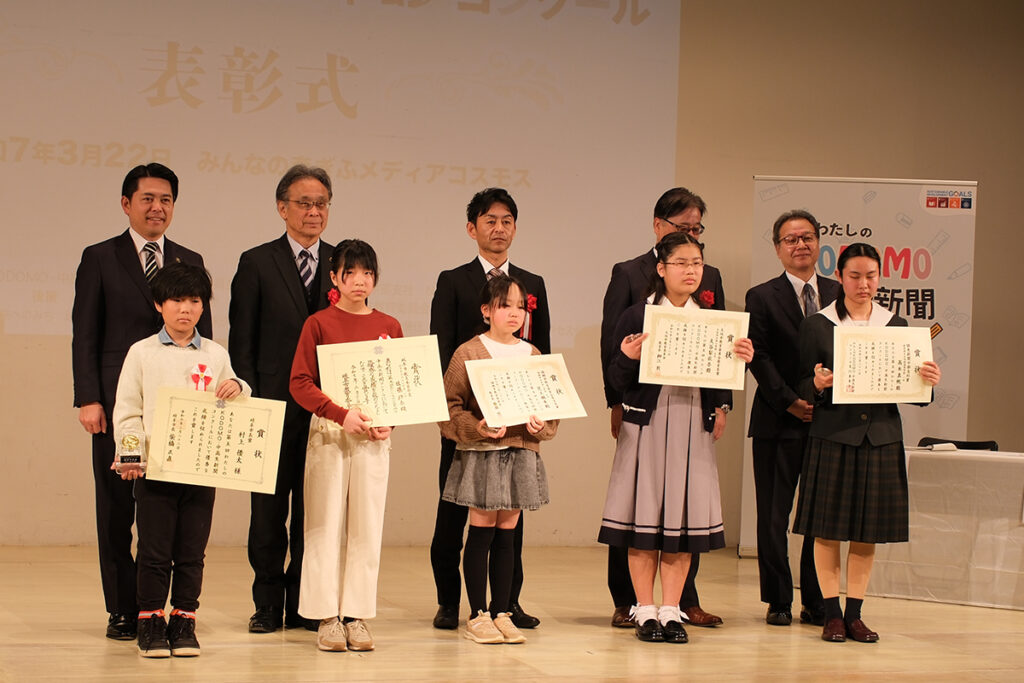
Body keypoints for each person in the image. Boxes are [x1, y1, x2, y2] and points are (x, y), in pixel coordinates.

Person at [72, 163, 212, 640]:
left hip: (180, 416)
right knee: (116, 511)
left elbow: (207, 341)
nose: (157, 207)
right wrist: (89, 398)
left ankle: (161, 609)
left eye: (166, 199)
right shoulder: (100, 257)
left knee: (169, 517)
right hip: (121, 410)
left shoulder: (189, 259)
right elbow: (85, 334)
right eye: (148, 198)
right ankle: (122, 608)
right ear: (126, 204)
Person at [598, 232, 753, 644]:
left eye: (697, 263)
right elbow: (616, 377)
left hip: (692, 423)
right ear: (661, 269)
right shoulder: (638, 315)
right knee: (643, 522)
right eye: (681, 263)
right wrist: (627, 358)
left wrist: (735, 372)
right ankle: (644, 609)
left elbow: (720, 377)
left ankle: (671, 609)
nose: (691, 271)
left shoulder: (712, 318)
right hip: (646, 424)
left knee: (683, 524)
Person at [794, 242, 941, 644]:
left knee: (866, 531)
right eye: (855, 276)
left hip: (880, 437)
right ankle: (831, 614)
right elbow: (802, 384)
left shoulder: (896, 324)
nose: (864, 284)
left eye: (871, 276)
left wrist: (927, 382)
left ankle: (855, 614)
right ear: (839, 277)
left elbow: (914, 392)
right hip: (832, 435)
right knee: (826, 530)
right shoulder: (818, 324)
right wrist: (816, 384)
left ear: (880, 278)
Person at [111, 262, 251, 657]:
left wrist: (237, 385)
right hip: (156, 470)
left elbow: (239, 396)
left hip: (201, 469)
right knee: (154, 551)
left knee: (192, 552)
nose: (185, 309)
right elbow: (128, 411)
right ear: (159, 305)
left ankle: (184, 619)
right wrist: (132, 455)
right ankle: (150, 620)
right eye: (176, 300)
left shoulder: (215, 353)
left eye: (194, 301)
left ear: (204, 306)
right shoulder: (142, 352)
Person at [428, 188, 551, 631]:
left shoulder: (532, 283)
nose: (499, 229)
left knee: (510, 519)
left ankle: (507, 604)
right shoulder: (452, 279)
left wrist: (536, 411)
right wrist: (463, 421)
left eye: (507, 221)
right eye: (490, 221)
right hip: (470, 423)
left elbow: (543, 355)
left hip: (516, 428)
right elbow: (441, 349)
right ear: (472, 228)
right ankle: (450, 602)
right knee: (453, 513)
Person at [229, 165, 335, 633]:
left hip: (326, 411)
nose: (314, 212)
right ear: (282, 208)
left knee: (316, 512)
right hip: (270, 408)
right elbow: (242, 342)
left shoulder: (341, 262)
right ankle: (268, 604)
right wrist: (249, 402)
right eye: (304, 203)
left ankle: (307, 603)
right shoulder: (256, 262)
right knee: (268, 514)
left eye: (321, 204)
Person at [289, 239, 403, 652]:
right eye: (350, 272)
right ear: (334, 278)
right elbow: (300, 382)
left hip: (372, 438)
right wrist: (340, 414)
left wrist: (389, 422)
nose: (360, 281)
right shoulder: (318, 323)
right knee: (323, 525)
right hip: (330, 434)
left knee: (367, 527)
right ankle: (326, 617)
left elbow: (399, 385)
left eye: (367, 273)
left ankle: (357, 616)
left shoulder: (389, 325)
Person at [439, 275, 558, 644]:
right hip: (482, 454)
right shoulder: (468, 352)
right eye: (505, 305)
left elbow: (551, 407)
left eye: (520, 306)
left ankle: (502, 610)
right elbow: (448, 408)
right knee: (481, 531)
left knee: (508, 535)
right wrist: (477, 427)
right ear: (486, 311)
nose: (515, 313)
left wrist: (541, 426)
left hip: (521, 452)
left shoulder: (533, 355)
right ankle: (478, 614)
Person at [744, 209, 840, 627]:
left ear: (818, 243)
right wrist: (791, 401)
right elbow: (759, 357)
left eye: (807, 237)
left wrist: (818, 399)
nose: (800, 245)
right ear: (777, 248)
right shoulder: (761, 296)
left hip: (827, 421)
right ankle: (779, 599)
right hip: (776, 419)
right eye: (790, 239)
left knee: (819, 516)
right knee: (773, 516)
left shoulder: (839, 292)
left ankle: (816, 600)